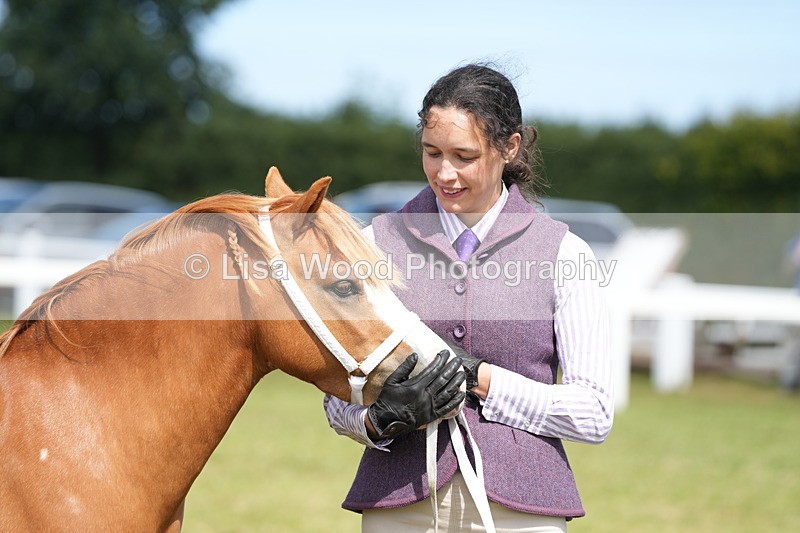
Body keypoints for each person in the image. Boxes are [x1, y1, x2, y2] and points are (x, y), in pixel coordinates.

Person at [323, 63, 614, 532]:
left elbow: (594, 414)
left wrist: (483, 380)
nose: (445, 173)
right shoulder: (373, 243)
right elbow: (335, 396)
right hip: (398, 503)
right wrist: (376, 421)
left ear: (509, 147)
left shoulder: (564, 252)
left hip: (522, 508)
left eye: (464, 155)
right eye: (432, 152)